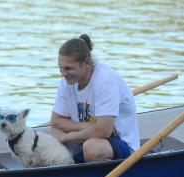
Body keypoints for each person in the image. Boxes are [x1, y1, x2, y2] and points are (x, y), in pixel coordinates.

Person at [50, 34, 140, 163]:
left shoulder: (105, 80)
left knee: (92, 148)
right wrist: (87, 126)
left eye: (68, 68)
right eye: (60, 68)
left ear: (87, 63)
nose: (63, 73)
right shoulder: (67, 80)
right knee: (51, 136)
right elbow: (56, 120)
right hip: (88, 137)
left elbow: (102, 132)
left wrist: (66, 137)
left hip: (120, 143)